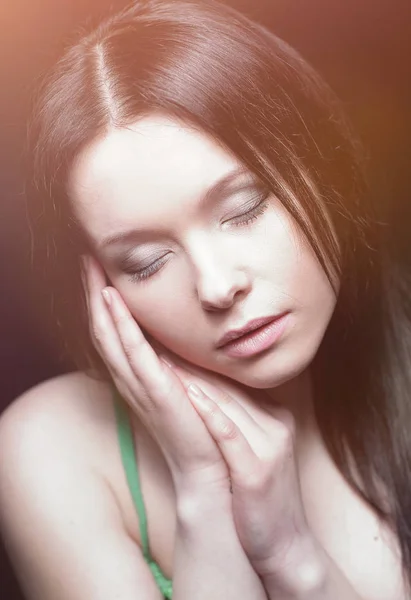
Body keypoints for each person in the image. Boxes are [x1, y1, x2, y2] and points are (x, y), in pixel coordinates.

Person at [0, 0, 409, 598]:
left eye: (243, 210)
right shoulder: (53, 448)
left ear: (324, 167)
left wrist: (296, 560)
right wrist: (205, 493)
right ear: (99, 283)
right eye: (146, 262)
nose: (217, 286)